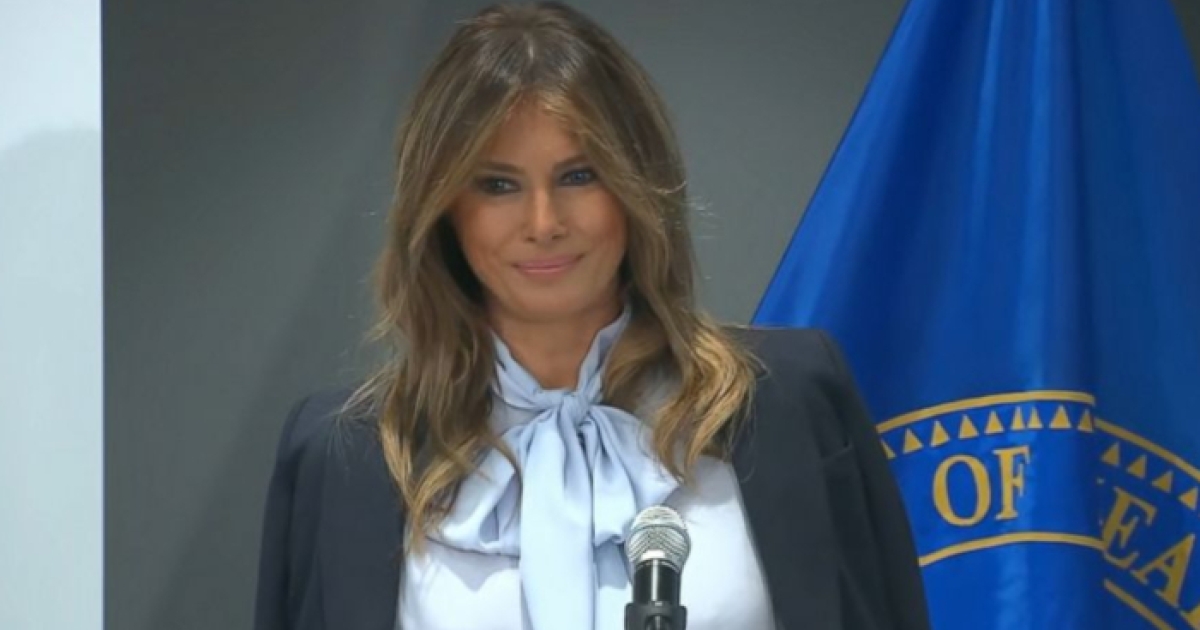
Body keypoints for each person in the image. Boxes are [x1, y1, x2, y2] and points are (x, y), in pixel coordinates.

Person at [253, 2, 929, 629]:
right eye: (498, 185)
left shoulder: (789, 402)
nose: (544, 222)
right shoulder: (342, 458)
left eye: (579, 176)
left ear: (637, 187)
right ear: (444, 211)